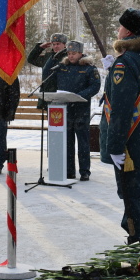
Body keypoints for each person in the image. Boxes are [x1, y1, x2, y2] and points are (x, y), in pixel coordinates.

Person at [99, 8, 140, 243]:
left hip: (130, 142)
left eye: (120, 26)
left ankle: (136, 240)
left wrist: (114, 145)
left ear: (128, 31)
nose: (118, 30)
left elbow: (121, 110)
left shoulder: (125, 63)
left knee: (131, 193)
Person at [42, 41, 101, 180]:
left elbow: (95, 86)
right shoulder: (63, 66)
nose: (71, 56)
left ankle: (85, 171)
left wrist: (81, 95)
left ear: (80, 53)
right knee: (67, 142)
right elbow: (47, 74)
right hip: (65, 110)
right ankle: (69, 171)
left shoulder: (89, 68)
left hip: (81, 110)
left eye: (74, 53)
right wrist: (53, 56)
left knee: (83, 142)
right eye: (68, 53)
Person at [26, 32, 68, 108]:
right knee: (50, 118)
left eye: (58, 44)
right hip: (47, 93)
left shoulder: (68, 57)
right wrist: (39, 48)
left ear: (64, 44)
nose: (55, 46)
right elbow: (31, 59)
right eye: (53, 44)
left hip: (61, 93)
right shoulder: (48, 56)